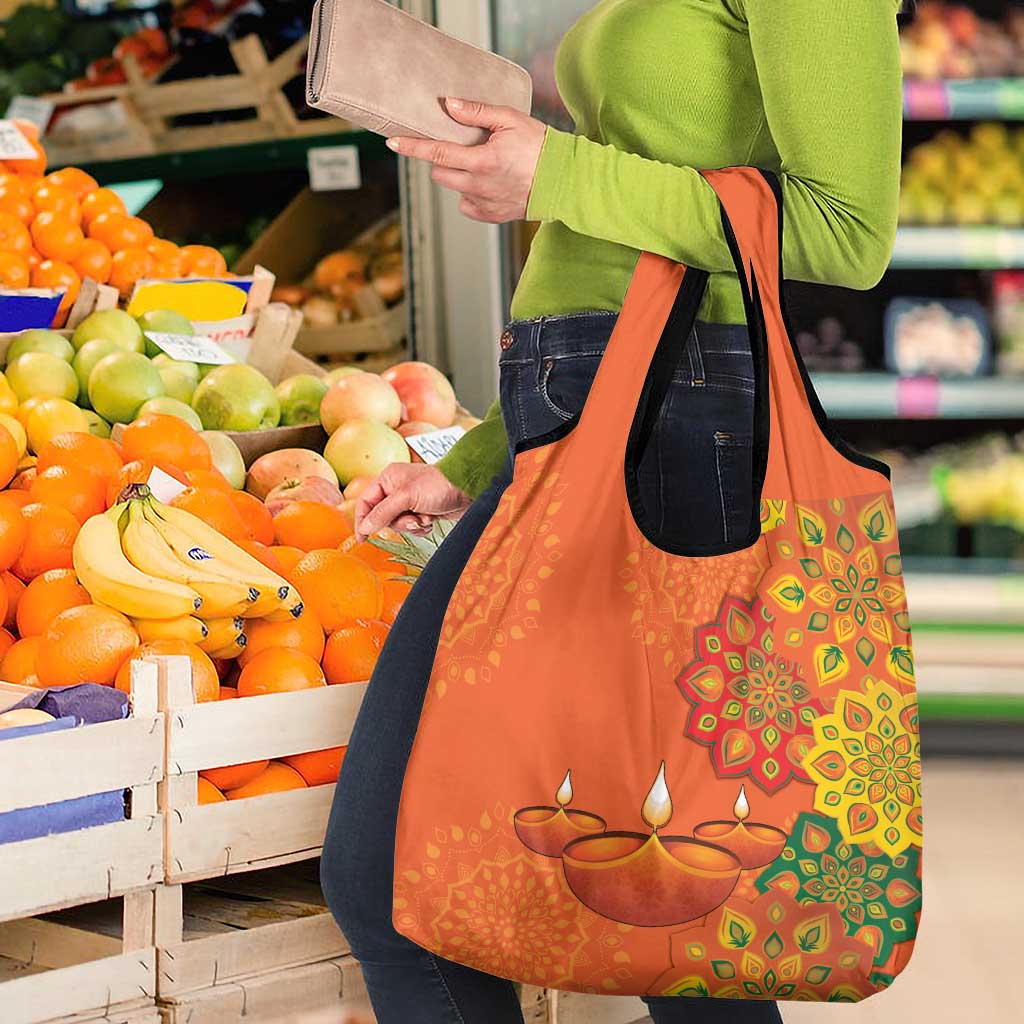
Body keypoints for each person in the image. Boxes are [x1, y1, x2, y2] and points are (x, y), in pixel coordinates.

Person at [321, 2, 904, 1022]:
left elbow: (847, 231)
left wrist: (555, 171)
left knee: (658, 917)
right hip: (585, 430)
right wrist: (479, 458)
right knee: (658, 924)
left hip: (676, 438)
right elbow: (617, 249)